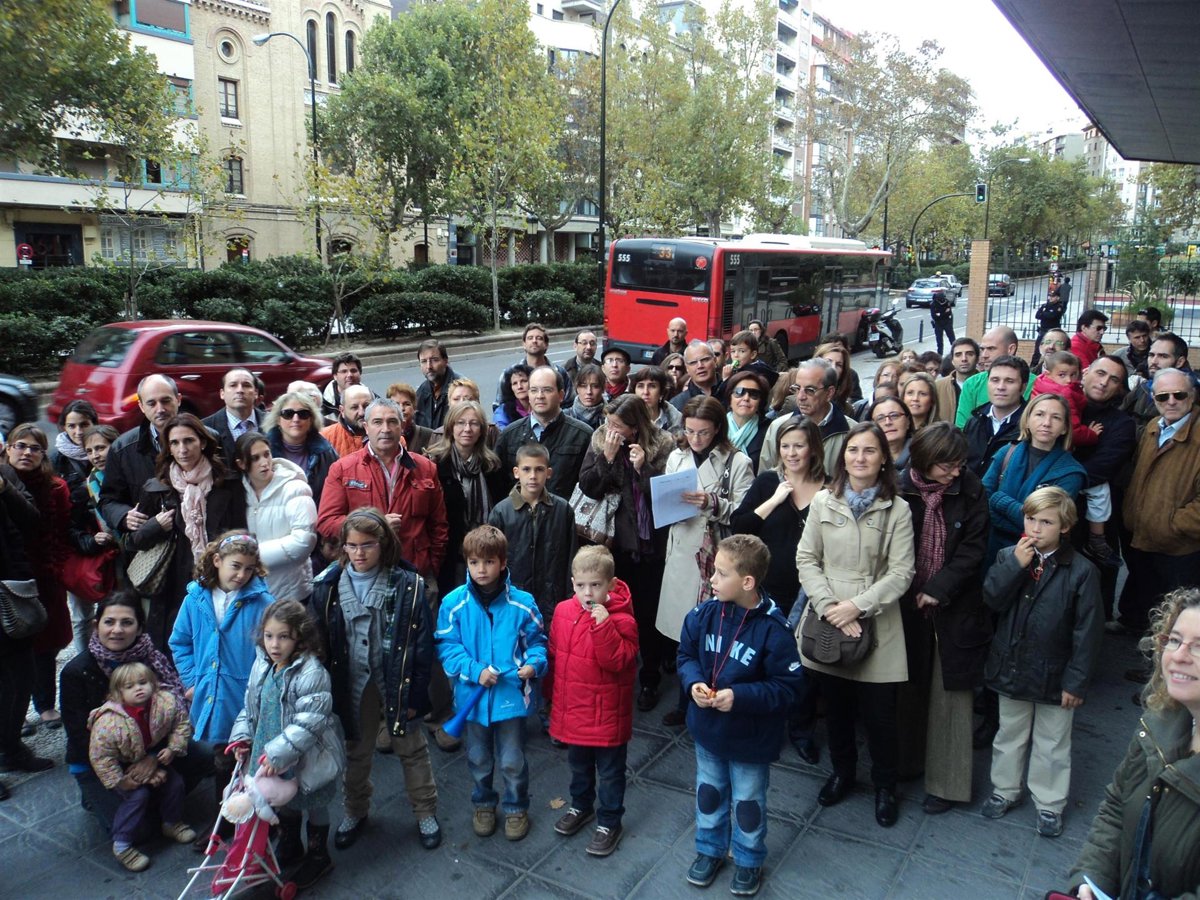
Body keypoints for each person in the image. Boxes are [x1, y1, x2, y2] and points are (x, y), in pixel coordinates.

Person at [795, 421, 915, 828]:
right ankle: (842, 773)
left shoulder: (898, 509)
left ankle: (885, 786)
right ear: (842, 457)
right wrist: (831, 607)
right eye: (853, 450)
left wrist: (857, 608)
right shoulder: (822, 502)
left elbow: (901, 572)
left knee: (881, 717)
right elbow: (806, 559)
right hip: (828, 617)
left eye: (869, 450)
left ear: (884, 459)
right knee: (837, 709)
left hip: (877, 619)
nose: (860, 458)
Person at [310, 508, 442, 852]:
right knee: (356, 749)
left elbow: (423, 645)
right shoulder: (327, 586)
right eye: (352, 545)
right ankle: (355, 810)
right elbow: (319, 640)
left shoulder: (408, 585)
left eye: (367, 545)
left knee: (411, 748)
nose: (359, 553)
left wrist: (416, 696)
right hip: (353, 680)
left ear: (383, 544)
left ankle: (425, 811)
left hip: (397, 679)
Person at [678, 534, 802, 894]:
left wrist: (741, 697)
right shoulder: (703, 615)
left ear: (747, 582)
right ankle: (710, 849)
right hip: (709, 731)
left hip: (751, 739)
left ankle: (748, 859)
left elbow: (789, 688)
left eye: (721, 573)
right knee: (709, 794)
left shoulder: (774, 630)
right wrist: (693, 683)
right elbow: (686, 656)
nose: (712, 579)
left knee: (748, 804)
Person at [980, 487, 1103, 838]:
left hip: (1055, 673)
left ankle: (1049, 803)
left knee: (1052, 741)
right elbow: (991, 599)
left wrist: (1076, 681)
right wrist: (1014, 567)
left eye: (1046, 522)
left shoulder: (1082, 571)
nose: (1035, 528)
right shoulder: (1010, 556)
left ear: (1065, 526)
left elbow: (1088, 632)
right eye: (1030, 519)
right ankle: (1005, 789)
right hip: (1012, 664)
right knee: (1009, 733)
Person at [1069, 587, 1200, 899]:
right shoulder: (1157, 724)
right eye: (1175, 640)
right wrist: (1092, 881)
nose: (1179, 656)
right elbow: (1117, 805)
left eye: (1199, 647)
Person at [896, 424, 991, 814]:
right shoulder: (899, 488)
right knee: (907, 691)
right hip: (904, 603)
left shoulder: (971, 489)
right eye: (947, 466)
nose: (955, 472)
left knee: (951, 697)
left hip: (954, 607)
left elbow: (973, 550)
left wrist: (939, 587)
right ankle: (905, 763)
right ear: (924, 461)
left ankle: (947, 785)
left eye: (959, 464)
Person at [61, 593, 214, 827]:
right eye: (109, 622)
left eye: (127, 622)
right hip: (101, 758)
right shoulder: (77, 671)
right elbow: (79, 735)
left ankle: (154, 796)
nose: (117, 630)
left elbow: (174, 714)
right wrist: (133, 767)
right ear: (96, 625)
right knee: (138, 831)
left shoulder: (152, 659)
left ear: (140, 627)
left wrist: (154, 758)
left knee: (205, 755)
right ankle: (100, 794)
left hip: (152, 745)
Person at [435, 525, 547, 842]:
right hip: (471, 698)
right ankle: (483, 803)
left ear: (503, 562)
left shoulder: (522, 603)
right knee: (478, 758)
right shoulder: (453, 603)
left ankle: (516, 807)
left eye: (488, 562)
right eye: (474, 562)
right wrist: (474, 670)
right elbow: (446, 646)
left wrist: (533, 665)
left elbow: (537, 643)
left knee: (512, 760)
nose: (481, 569)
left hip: (510, 698)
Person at [229, 599, 345, 889]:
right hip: (270, 747)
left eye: (284, 637)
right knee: (285, 801)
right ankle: (291, 843)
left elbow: (310, 722)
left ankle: (319, 855)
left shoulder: (311, 672)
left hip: (306, 754)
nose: (274, 644)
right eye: (269, 636)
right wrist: (242, 736)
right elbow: (250, 705)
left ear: (299, 637)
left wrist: (277, 754)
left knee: (313, 801)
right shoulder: (262, 664)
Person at [730, 418, 826, 763]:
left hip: (809, 594)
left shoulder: (830, 487)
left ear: (813, 448)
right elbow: (739, 526)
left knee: (802, 666)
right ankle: (759, 722)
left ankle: (801, 729)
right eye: (786, 446)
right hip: (767, 589)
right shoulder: (768, 482)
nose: (791, 452)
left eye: (799, 445)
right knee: (759, 659)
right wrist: (774, 500)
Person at [656, 397, 754, 720]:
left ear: (717, 430)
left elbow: (746, 513)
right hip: (681, 548)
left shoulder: (737, 461)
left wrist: (712, 503)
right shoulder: (677, 456)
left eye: (703, 432)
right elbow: (664, 502)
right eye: (690, 431)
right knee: (684, 631)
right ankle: (686, 698)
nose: (696, 439)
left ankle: (706, 700)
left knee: (712, 631)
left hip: (716, 554)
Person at [578, 394, 675, 711]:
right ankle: (617, 675)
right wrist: (606, 459)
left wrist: (643, 468)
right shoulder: (599, 440)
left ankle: (649, 678)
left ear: (635, 427)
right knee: (615, 612)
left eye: (618, 425)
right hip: (615, 545)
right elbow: (589, 487)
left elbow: (668, 496)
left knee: (648, 616)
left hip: (651, 546)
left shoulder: (662, 444)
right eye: (609, 422)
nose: (611, 429)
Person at [168, 530, 273, 819]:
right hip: (211, 692)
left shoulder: (262, 602)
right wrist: (191, 680)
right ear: (217, 561)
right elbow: (180, 641)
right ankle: (225, 820)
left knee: (250, 757)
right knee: (222, 757)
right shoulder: (195, 599)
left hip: (246, 695)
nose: (241, 575)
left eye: (249, 569)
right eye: (235, 566)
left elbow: (271, 649)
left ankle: (254, 823)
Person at [546, 546, 638, 857]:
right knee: (579, 766)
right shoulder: (563, 612)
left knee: (610, 773)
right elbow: (556, 655)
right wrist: (552, 699)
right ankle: (581, 805)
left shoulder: (622, 620)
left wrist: (604, 626)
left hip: (607, 714)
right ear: (572, 583)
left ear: (610, 584)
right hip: (574, 710)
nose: (588, 593)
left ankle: (609, 821)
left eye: (596, 585)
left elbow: (619, 661)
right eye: (582, 585)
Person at [128, 413, 247, 649]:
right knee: (179, 651)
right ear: (168, 448)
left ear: (202, 442)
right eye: (175, 443)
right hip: (173, 589)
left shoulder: (228, 483)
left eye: (189, 441)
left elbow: (241, 533)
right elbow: (134, 542)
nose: (182, 449)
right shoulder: (157, 488)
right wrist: (155, 526)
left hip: (220, 583)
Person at [317, 398, 449, 587]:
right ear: (366, 427)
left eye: (392, 421)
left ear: (402, 426)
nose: (385, 429)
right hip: (363, 575)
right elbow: (327, 521)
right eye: (377, 422)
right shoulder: (342, 469)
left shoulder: (425, 468)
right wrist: (374, 525)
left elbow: (439, 525)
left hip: (416, 575)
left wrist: (431, 567)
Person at [87, 662, 195, 871]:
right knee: (137, 796)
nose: (138, 689)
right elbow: (101, 756)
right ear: (118, 693)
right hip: (123, 765)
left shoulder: (165, 702)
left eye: (143, 683)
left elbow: (181, 723)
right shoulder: (109, 722)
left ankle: (171, 822)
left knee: (175, 784)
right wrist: (119, 781)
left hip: (150, 754)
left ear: (153, 684)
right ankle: (121, 844)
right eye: (129, 686)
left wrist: (173, 748)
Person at [1120, 369, 1200, 635]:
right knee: (1147, 601)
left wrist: (1172, 524)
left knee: (1176, 616)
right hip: (1145, 535)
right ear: (1154, 398)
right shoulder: (1154, 426)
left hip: (1180, 547)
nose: (1171, 401)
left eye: (1179, 395)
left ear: (1192, 395)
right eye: (1163, 396)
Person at [5, 424, 72, 734]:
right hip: (9, 577)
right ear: (8, 448)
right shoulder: (5, 482)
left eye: (35, 448)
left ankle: (44, 703)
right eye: (20, 445)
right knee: (12, 648)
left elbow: (60, 533)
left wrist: (55, 571)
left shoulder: (55, 488)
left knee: (45, 644)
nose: (27, 453)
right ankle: (13, 715)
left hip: (44, 578)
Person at [983, 393, 1087, 562]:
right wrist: (1023, 514)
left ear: (1064, 428)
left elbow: (1045, 524)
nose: (1046, 423)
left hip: (1033, 555)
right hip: (988, 544)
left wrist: (998, 500)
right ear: (1027, 420)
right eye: (1039, 414)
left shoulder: (1070, 472)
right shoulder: (1007, 452)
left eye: (1056, 417)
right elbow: (981, 499)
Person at [0, 450, 51, 784]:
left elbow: (32, 520)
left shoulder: (5, 476)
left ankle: (11, 748)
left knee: (22, 676)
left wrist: (5, 488)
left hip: (12, 590)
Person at [488, 442, 576, 632]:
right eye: (526, 469)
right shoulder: (501, 512)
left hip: (553, 599)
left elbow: (571, 558)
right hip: (512, 598)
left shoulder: (563, 510)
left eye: (539, 469)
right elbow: (491, 559)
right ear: (516, 472)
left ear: (549, 472)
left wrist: (571, 598)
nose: (533, 476)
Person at [425, 400, 508, 592]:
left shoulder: (492, 466)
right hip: (448, 554)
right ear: (450, 428)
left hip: (486, 552)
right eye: (460, 423)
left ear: (482, 430)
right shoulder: (434, 465)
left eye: (474, 423)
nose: (467, 429)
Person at [236, 432, 317, 601]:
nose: (264, 462)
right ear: (241, 463)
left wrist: (253, 555)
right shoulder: (238, 493)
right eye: (255, 458)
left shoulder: (294, 488)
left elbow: (304, 541)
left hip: (292, 592)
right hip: (253, 591)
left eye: (267, 454)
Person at [99, 374, 181, 538]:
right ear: (142, 406)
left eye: (166, 401)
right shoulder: (122, 449)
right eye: (151, 403)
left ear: (178, 400)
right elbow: (108, 501)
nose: (160, 409)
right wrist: (123, 516)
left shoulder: (206, 439)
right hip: (152, 541)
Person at [493, 366, 593, 499]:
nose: (540, 396)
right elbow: (497, 487)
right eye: (534, 390)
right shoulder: (509, 435)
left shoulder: (582, 435)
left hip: (566, 511)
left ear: (561, 395)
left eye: (547, 390)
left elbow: (590, 486)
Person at [71, 424, 121, 652]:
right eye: (90, 451)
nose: (95, 455)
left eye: (101, 448)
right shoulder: (88, 487)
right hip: (109, 559)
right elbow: (74, 529)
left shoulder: (130, 474)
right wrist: (93, 540)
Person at [760, 359, 854, 474]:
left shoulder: (851, 432)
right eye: (797, 388)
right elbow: (765, 478)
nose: (800, 397)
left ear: (829, 392)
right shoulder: (777, 427)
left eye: (810, 390)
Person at [263, 390, 340, 509]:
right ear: (278, 419)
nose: (296, 419)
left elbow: (335, 494)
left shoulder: (326, 453)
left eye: (303, 414)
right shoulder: (263, 452)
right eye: (288, 414)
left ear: (311, 420)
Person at [963, 355, 1029, 477]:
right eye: (995, 380)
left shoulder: (1030, 427)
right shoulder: (974, 421)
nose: (1000, 387)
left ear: (1023, 387)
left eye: (1009, 381)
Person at [955, 327, 1033, 428]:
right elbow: (961, 428)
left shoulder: (1035, 383)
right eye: (982, 349)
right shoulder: (972, 383)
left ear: (1011, 349)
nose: (984, 355)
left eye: (991, 349)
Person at [494, 322, 573, 411]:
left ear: (546, 345)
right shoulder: (509, 374)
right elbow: (499, 407)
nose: (534, 341)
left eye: (539, 338)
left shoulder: (560, 372)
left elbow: (570, 404)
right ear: (524, 344)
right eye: (530, 338)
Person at [201, 368, 266, 469]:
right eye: (233, 385)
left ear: (256, 393)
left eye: (246, 385)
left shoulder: (273, 422)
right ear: (222, 393)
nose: (240, 390)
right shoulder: (205, 428)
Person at [723, 370, 771, 471]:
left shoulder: (770, 431)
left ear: (760, 402)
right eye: (739, 392)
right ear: (729, 398)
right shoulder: (716, 426)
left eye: (754, 394)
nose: (746, 398)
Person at [415, 339, 460, 430]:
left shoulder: (460, 389)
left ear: (445, 361)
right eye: (424, 361)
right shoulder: (422, 391)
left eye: (434, 360)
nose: (429, 366)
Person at [319, 383, 372, 459]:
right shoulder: (325, 438)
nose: (361, 413)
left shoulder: (386, 432)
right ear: (342, 411)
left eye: (366, 406)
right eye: (354, 407)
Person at [934, 338, 978, 424]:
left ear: (977, 359)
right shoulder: (938, 387)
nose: (964, 359)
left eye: (969, 354)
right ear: (952, 361)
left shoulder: (987, 384)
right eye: (958, 355)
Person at [865, 396, 914, 473]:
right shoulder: (864, 460)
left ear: (908, 421)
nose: (888, 422)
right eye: (880, 418)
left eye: (894, 415)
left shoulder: (924, 453)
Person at [671, 340, 723, 412]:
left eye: (705, 360)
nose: (700, 366)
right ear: (687, 368)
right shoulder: (676, 405)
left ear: (715, 361)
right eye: (693, 363)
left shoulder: (732, 394)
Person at [386, 382, 436, 456]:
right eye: (396, 404)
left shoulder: (430, 436)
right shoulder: (384, 435)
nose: (401, 408)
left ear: (414, 408)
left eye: (407, 404)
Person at [631, 365, 683, 435]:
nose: (645, 392)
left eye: (652, 386)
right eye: (640, 386)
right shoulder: (625, 416)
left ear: (662, 392)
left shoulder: (675, 418)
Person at [321, 352, 368, 419]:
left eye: (353, 371)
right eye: (344, 371)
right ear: (335, 376)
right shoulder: (323, 406)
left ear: (360, 373)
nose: (349, 375)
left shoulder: (372, 400)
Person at [814, 341, 854, 415]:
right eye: (828, 362)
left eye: (839, 365)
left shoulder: (847, 410)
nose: (833, 368)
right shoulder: (797, 401)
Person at [565, 363, 606, 430]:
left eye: (595, 386)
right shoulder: (565, 417)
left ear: (603, 388)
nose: (589, 392)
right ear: (577, 388)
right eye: (583, 386)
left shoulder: (611, 418)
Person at [493, 363, 532, 430]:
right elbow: (502, 432)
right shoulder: (503, 411)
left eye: (523, 381)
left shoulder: (542, 404)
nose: (519, 387)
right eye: (515, 383)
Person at [929, 286, 955, 355]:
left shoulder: (947, 302)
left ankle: (955, 352)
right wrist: (944, 313)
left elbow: (949, 313)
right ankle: (939, 355)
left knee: (952, 339)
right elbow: (934, 316)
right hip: (938, 324)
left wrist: (940, 314)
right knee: (939, 341)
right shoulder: (933, 304)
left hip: (947, 322)